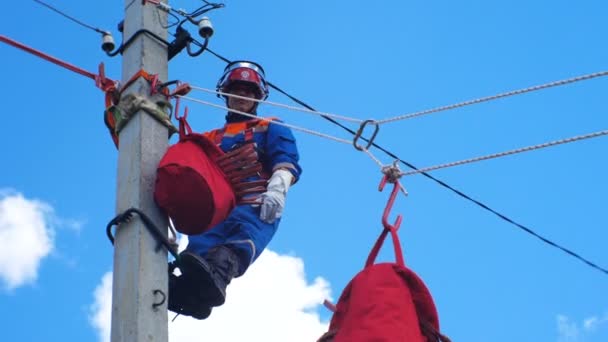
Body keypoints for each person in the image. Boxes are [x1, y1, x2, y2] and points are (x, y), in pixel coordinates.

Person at [168, 61, 302, 319]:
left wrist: (278, 187)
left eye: (248, 92)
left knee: (237, 243)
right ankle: (189, 293)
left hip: (255, 202)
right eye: (237, 90)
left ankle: (217, 276)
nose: (242, 97)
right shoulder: (209, 137)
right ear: (226, 94)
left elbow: (286, 159)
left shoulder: (270, 125)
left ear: (258, 96)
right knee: (199, 251)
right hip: (216, 204)